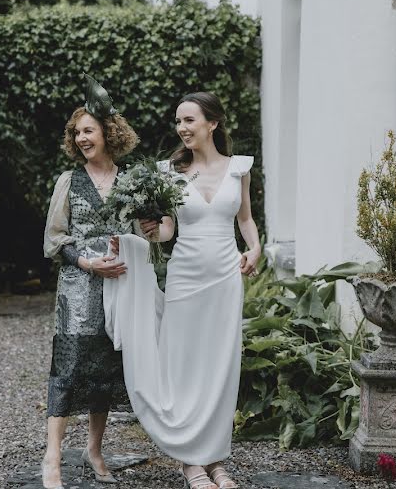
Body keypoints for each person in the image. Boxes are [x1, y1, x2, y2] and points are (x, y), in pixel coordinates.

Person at [108, 91, 261, 489]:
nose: (182, 128)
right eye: (178, 121)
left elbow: (245, 219)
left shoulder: (239, 168)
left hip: (226, 278)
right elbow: (168, 230)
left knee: (221, 367)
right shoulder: (171, 171)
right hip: (185, 277)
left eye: (189, 120)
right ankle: (192, 463)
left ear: (213, 123)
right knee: (186, 364)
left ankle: (216, 459)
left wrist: (256, 248)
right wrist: (149, 231)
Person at [40, 76, 139, 489]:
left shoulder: (132, 181)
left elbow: (142, 233)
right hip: (78, 290)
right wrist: (86, 262)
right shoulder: (68, 181)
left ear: (108, 132)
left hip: (118, 289)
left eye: (88, 130)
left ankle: (95, 450)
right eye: (76, 132)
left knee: (105, 371)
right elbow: (52, 241)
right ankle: (52, 458)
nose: (82, 138)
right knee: (67, 368)